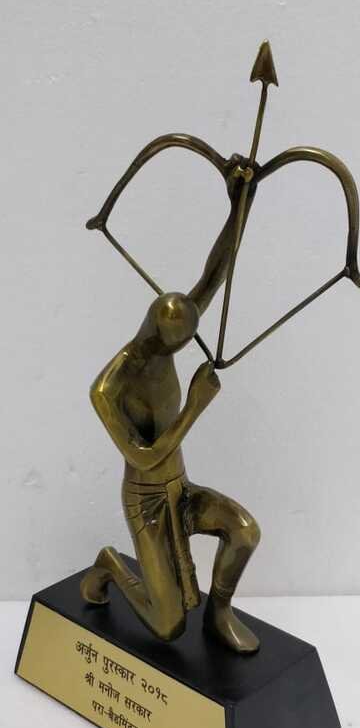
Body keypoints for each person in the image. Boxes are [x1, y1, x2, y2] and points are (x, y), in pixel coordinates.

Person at [80, 158, 261, 653]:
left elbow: (215, 273)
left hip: (180, 488)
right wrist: (195, 407)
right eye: (178, 341)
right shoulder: (109, 385)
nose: (183, 348)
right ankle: (112, 565)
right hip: (147, 501)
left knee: (243, 530)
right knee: (167, 627)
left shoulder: (171, 334)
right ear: (159, 329)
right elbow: (141, 456)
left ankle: (218, 615)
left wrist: (240, 203)